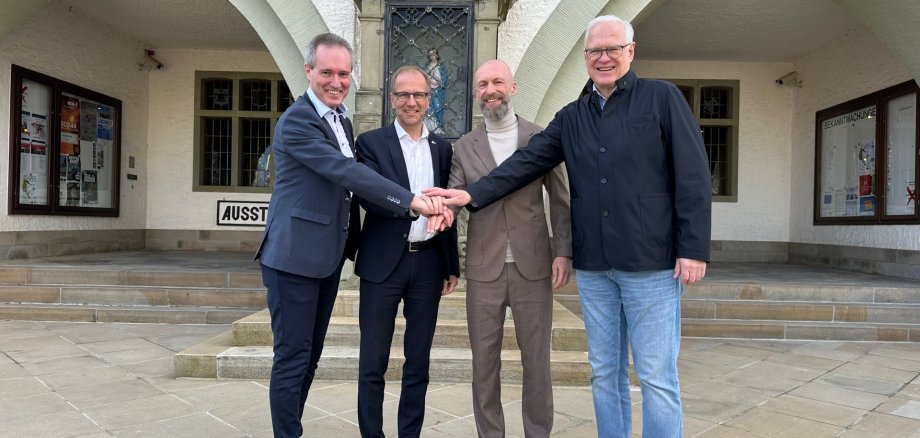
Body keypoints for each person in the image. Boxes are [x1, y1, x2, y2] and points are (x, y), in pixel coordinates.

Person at [425, 15, 711, 437]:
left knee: (655, 376)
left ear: (630, 51)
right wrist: (471, 195)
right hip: (596, 268)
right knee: (604, 373)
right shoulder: (572, 116)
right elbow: (525, 163)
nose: (604, 57)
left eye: (613, 49)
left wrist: (693, 248)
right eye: (595, 51)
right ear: (585, 57)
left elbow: (693, 174)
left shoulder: (662, 98)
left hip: (651, 263)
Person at [254, 33, 451, 438]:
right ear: (308, 71)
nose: (336, 81)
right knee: (292, 358)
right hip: (293, 257)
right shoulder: (299, 120)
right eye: (327, 72)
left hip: (325, 258)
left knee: (308, 358)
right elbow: (347, 173)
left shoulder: (340, 119)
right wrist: (412, 201)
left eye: (344, 74)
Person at [448, 59, 572, 438]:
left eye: (497, 82)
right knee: (484, 364)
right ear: (476, 93)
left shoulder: (541, 139)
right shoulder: (463, 147)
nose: (491, 90)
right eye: (483, 84)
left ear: (513, 88)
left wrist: (563, 251)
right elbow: (453, 204)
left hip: (533, 267)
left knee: (537, 361)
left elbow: (561, 200)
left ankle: (538, 432)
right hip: (483, 270)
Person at [354, 65, 460, 438]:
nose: (411, 102)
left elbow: (448, 207)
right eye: (403, 94)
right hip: (382, 263)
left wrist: (450, 264)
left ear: (429, 99)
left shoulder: (442, 148)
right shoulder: (370, 143)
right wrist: (414, 206)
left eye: (418, 95)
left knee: (418, 361)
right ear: (392, 99)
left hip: (428, 263)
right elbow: (370, 197)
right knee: (373, 361)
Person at [424, 48, 447, 132]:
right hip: (429, 90)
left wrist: (437, 79)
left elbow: (443, 79)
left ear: (437, 55)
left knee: (438, 107)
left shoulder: (440, 66)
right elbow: (425, 77)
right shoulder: (427, 66)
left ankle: (438, 128)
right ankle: (429, 127)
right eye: (430, 55)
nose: (432, 57)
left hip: (438, 90)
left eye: (433, 54)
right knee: (429, 108)